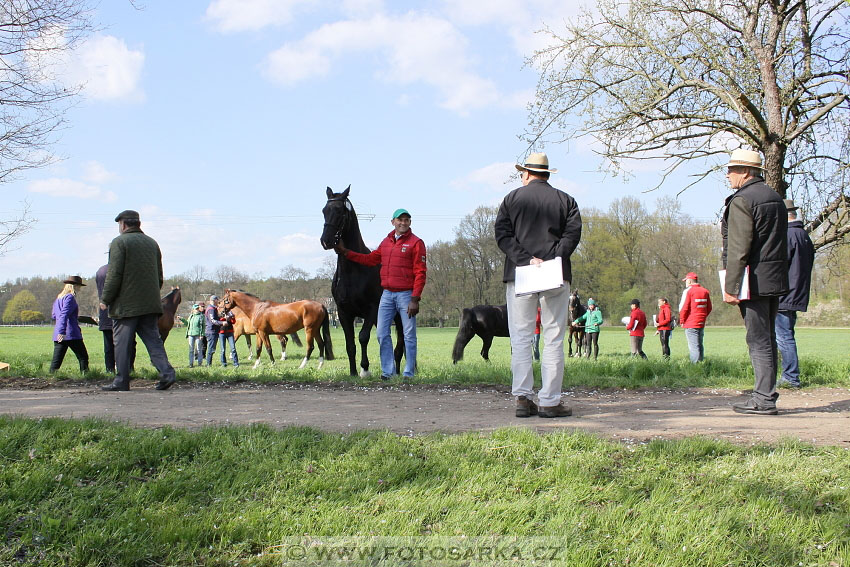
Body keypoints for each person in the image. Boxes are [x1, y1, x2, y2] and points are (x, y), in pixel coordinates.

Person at [495, 152, 582, 418]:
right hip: (555, 273)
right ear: (546, 173)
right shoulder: (566, 200)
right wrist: (552, 257)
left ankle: (523, 398)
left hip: (520, 273)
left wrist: (526, 259)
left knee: (521, 337)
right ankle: (549, 401)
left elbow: (502, 234)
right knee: (553, 337)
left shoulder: (512, 198)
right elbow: (572, 234)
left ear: (527, 174)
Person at [722, 149, 789, 415]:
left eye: (732, 170)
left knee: (758, 340)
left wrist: (731, 287)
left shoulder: (743, 200)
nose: (728, 175)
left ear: (746, 171)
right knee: (768, 338)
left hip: (754, 281)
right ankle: (766, 394)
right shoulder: (775, 198)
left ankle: (763, 399)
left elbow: (739, 248)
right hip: (775, 279)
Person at [335, 208, 427, 379]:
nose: (403, 223)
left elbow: (421, 272)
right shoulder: (386, 242)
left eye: (406, 220)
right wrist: (346, 252)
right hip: (387, 295)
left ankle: (409, 373)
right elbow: (369, 259)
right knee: (381, 333)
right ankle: (388, 372)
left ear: (410, 223)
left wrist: (415, 298)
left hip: (406, 295)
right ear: (393, 222)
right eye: (400, 220)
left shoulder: (416, 243)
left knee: (408, 335)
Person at [100, 210, 177, 391]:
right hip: (150, 304)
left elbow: (114, 274)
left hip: (126, 306)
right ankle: (167, 373)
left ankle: (121, 381)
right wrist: (150, 296)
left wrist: (106, 298)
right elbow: (159, 276)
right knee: (154, 341)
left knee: (122, 344)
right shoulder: (152, 243)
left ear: (123, 224)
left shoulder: (119, 242)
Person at [775, 199, 815, 389]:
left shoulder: (788, 235)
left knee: (784, 337)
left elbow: (779, 266)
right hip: (797, 292)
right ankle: (790, 375)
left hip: (785, 294)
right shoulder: (804, 235)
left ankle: (791, 377)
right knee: (787, 334)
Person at [49, 276, 89, 373]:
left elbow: (54, 315)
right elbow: (64, 314)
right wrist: (63, 331)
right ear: (74, 286)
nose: (79, 289)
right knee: (83, 357)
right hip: (70, 334)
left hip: (58, 333)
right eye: (79, 286)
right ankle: (86, 377)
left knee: (56, 362)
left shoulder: (58, 298)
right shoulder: (70, 298)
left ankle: (51, 378)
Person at [678, 272, 712, 362]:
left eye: (686, 281)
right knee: (700, 344)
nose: (685, 283)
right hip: (701, 322)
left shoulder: (688, 291)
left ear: (689, 281)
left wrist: (682, 320)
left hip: (690, 322)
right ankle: (701, 363)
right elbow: (709, 307)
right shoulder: (705, 291)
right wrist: (703, 316)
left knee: (693, 346)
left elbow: (683, 308)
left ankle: (695, 366)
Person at [217, 301, 239, 367]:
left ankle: (236, 363)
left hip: (230, 332)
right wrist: (224, 318)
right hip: (222, 332)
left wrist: (230, 318)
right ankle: (224, 363)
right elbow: (218, 320)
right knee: (223, 349)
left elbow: (234, 321)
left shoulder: (230, 312)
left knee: (233, 348)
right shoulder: (219, 312)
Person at [204, 295, 224, 367]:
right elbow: (213, 320)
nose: (218, 301)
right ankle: (208, 365)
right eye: (217, 300)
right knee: (211, 349)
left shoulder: (213, 308)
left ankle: (209, 364)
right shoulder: (211, 309)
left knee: (212, 349)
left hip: (213, 331)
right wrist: (222, 323)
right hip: (211, 331)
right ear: (214, 300)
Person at [186, 303, 206, 367]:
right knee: (191, 349)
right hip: (190, 334)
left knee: (199, 349)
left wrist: (202, 335)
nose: (197, 309)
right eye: (196, 309)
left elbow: (203, 326)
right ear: (193, 309)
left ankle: (200, 363)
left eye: (198, 308)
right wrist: (181, 319)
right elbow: (187, 323)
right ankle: (191, 363)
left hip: (198, 335)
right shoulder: (191, 316)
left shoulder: (201, 316)